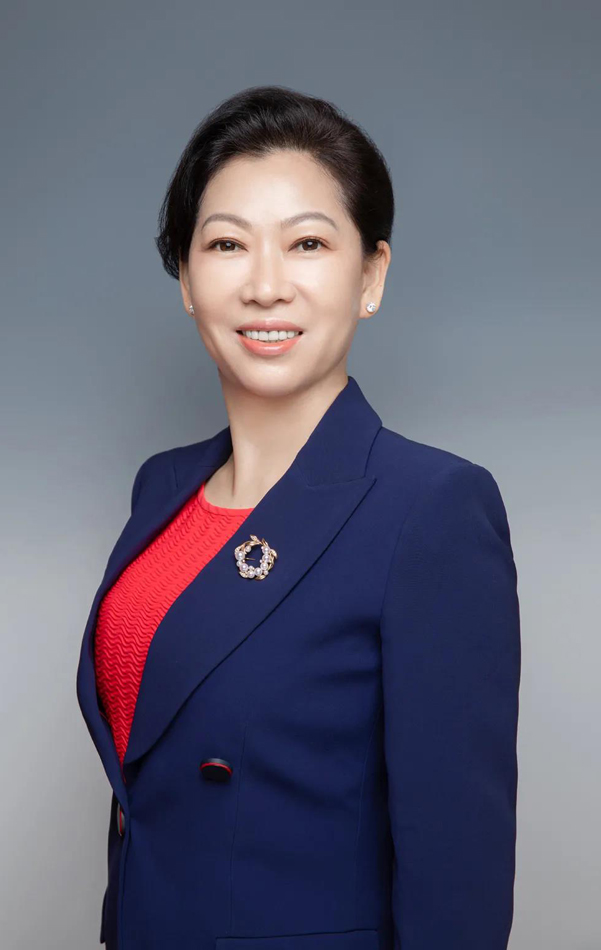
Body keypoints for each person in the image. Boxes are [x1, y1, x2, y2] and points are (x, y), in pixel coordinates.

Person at [76, 84, 521, 950]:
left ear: (370, 276)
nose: (265, 285)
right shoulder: (161, 490)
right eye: (226, 244)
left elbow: (456, 877)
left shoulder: (429, 509)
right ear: (186, 279)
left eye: (307, 243)